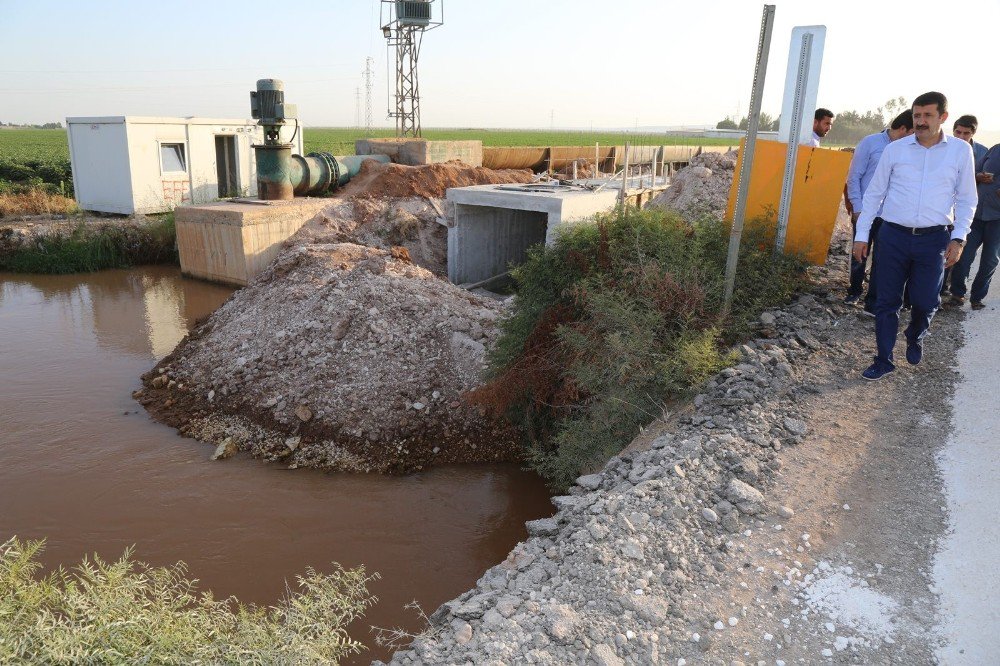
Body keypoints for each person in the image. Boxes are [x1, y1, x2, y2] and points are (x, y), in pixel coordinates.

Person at [852, 91, 978, 381]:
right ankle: (883, 359)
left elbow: (968, 199)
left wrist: (958, 238)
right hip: (893, 237)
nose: (920, 121)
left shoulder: (960, 151)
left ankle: (915, 333)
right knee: (886, 302)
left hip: (934, 240)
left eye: (927, 116)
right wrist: (861, 236)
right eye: (916, 115)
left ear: (942, 117)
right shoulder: (895, 150)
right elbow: (874, 195)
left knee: (925, 302)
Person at [844, 110, 915, 311]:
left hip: (890, 215)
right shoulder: (870, 143)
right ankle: (854, 291)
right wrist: (857, 207)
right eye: (912, 131)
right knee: (860, 253)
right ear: (903, 129)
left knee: (884, 258)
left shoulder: (908, 149)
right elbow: (854, 177)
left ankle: (873, 300)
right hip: (866, 211)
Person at [948, 143, 1000, 309]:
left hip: (997, 219)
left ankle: (977, 297)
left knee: (990, 260)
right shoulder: (995, 149)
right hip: (976, 215)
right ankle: (957, 294)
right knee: (964, 256)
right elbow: (972, 172)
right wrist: (978, 176)